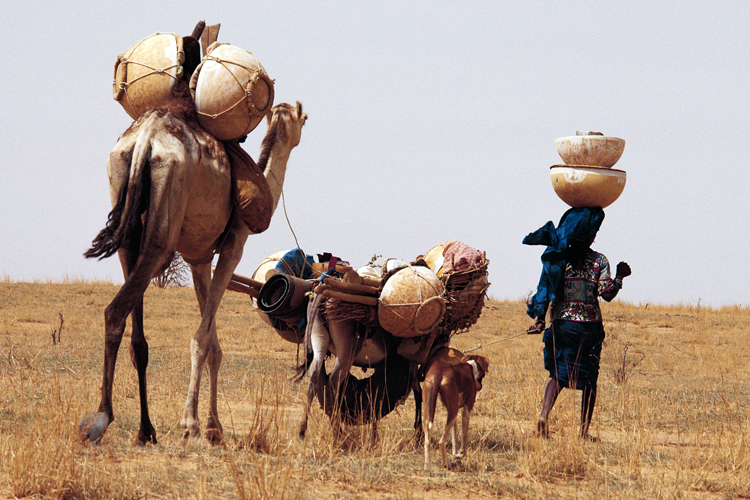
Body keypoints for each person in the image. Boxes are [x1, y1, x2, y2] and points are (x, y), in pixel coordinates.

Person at [523, 207, 631, 439]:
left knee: (558, 374)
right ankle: (583, 432)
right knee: (590, 379)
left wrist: (540, 319)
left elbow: (545, 288)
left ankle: (544, 414)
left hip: (563, 325)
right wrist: (620, 276)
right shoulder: (599, 260)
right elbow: (607, 293)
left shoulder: (557, 259)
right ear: (588, 234)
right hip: (589, 328)